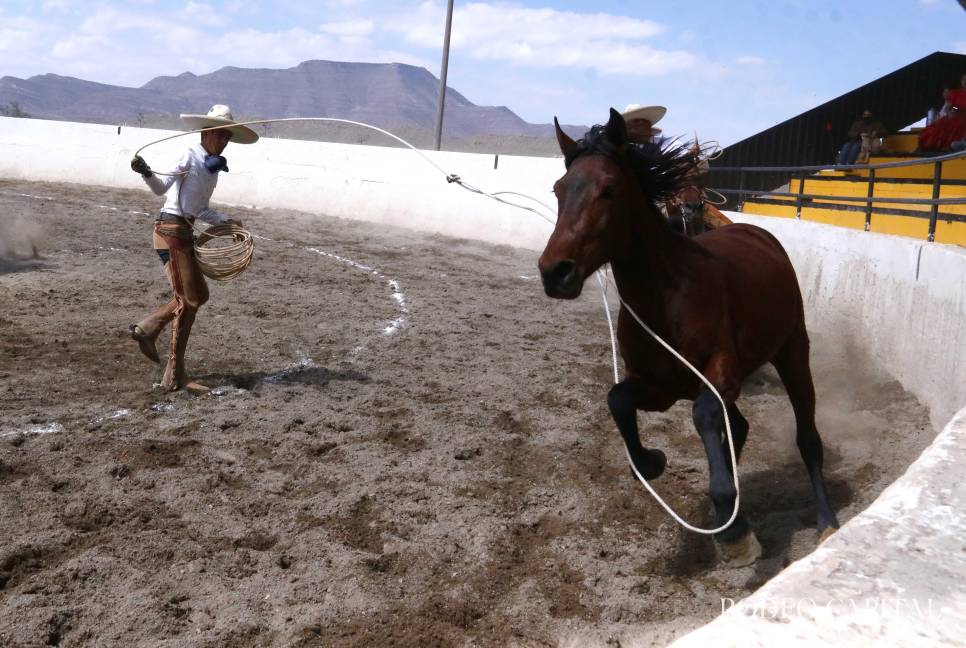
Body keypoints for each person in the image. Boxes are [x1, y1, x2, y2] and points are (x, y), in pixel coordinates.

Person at [129, 104, 259, 393]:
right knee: (189, 299)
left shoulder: (211, 169)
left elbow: (198, 209)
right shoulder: (189, 155)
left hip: (183, 229)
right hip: (170, 230)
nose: (223, 141)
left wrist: (228, 221)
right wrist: (146, 172)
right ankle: (172, 371)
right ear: (206, 132)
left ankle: (152, 334)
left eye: (227, 137)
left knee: (197, 296)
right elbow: (161, 188)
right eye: (219, 135)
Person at [621, 103, 731, 234]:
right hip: (631, 196)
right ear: (629, 128)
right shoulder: (620, 149)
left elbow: (688, 159)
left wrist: (690, 156)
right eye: (638, 124)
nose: (644, 128)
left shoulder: (664, 144)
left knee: (692, 199)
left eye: (646, 123)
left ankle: (700, 236)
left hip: (662, 194)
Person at [919, 74, 966, 152]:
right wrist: (954, 110)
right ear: (961, 81)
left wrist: (957, 110)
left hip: (963, 118)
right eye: (964, 79)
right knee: (942, 124)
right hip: (954, 116)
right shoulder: (956, 93)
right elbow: (952, 106)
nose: (965, 81)